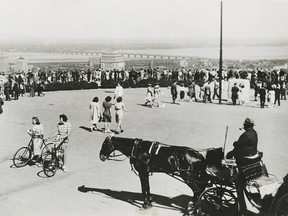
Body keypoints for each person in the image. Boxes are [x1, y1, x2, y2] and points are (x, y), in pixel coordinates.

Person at [226, 118, 258, 214]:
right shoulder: (254, 133)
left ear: (246, 126)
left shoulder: (245, 135)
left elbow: (238, 146)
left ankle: (242, 208)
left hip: (245, 159)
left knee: (238, 184)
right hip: (252, 155)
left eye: (244, 125)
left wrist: (233, 147)